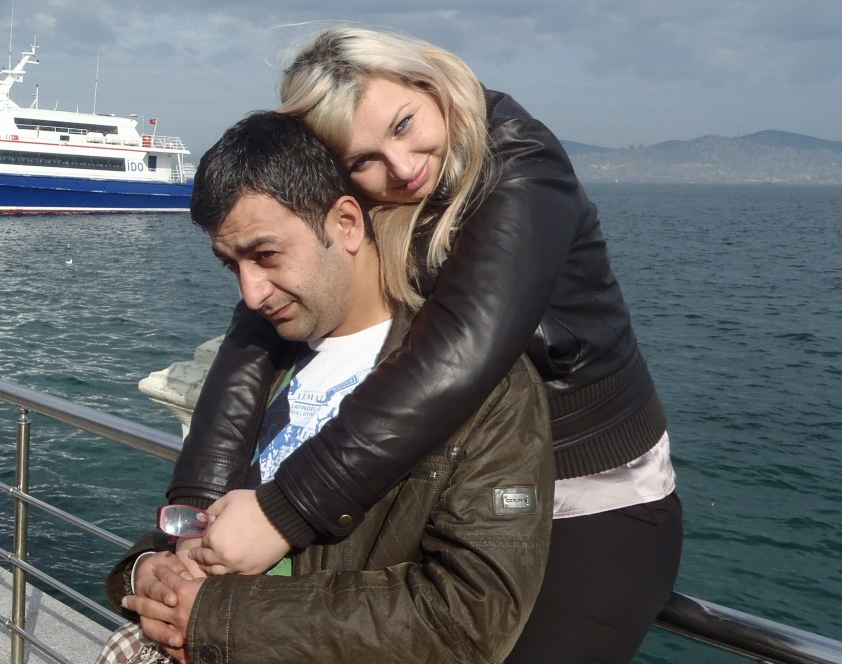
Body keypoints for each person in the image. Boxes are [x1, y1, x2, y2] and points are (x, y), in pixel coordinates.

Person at [170, 28, 683, 664]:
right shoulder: (369, 187)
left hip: (592, 491)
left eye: (405, 124)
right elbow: (255, 334)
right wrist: (195, 510)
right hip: (472, 484)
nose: (403, 165)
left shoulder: (521, 163)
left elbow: (461, 353)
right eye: (364, 159)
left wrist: (285, 511)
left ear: (428, 82)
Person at [102, 111, 554, 664]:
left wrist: (218, 615)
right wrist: (148, 569)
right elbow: (205, 514)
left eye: (267, 255)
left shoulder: (491, 392)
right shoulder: (266, 360)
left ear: (346, 223)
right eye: (232, 266)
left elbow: (469, 618)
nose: (251, 293)